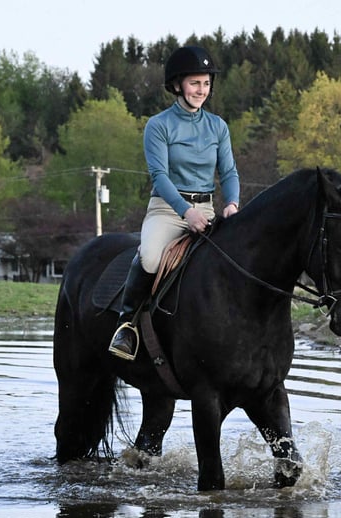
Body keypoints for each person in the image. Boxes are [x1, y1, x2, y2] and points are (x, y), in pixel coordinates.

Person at [108, 45, 240, 360]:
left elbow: (229, 172)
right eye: (195, 83)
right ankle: (127, 325)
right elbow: (160, 176)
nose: (201, 90)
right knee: (151, 258)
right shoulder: (159, 125)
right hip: (168, 210)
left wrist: (232, 203)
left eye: (206, 83)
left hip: (207, 209)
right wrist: (186, 211)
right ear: (178, 84)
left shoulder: (218, 126)